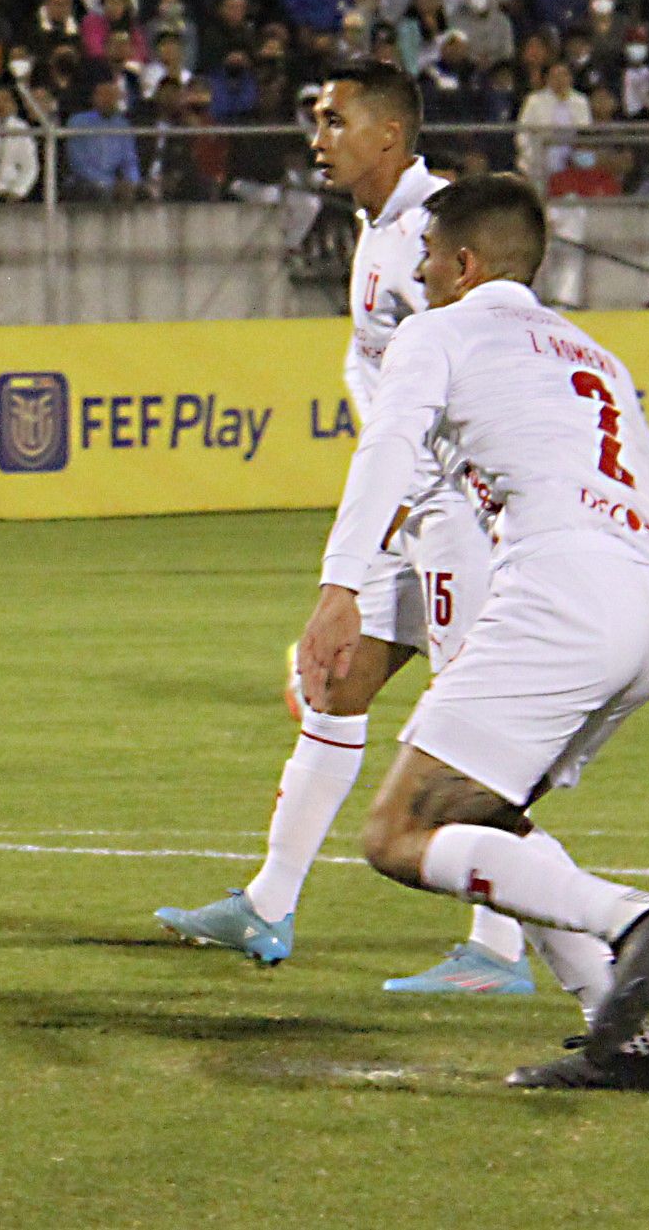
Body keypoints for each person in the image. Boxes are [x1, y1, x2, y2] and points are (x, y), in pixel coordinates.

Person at [301, 173, 649, 1093]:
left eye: (430, 258)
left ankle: (633, 915)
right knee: (490, 813)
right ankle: (626, 1045)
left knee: (398, 833)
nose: (421, 275)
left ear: (466, 263)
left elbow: (387, 447)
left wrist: (340, 586)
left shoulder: (441, 331)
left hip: (565, 594)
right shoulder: (595, 353)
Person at [157, 68, 518, 990]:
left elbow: (482, 375)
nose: (316, 134)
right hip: (414, 511)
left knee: (470, 732)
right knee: (336, 689)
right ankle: (269, 902)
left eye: (334, 119)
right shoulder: (379, 230)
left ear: (389, 134)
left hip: (454, 516)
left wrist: (448, 503)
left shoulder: (440, 233)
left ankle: (503, 946)